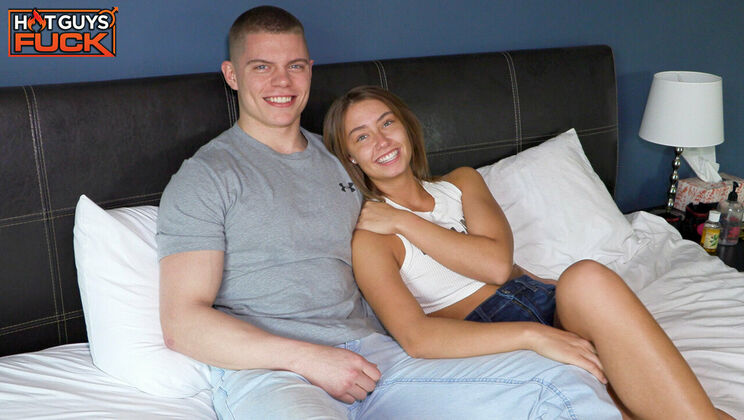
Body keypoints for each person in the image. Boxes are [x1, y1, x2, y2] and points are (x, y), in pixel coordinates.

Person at [157, 6, 623, 419]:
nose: (282, 82)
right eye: (262, 67)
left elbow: (432, 213)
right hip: (273, 371)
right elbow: (182, 324)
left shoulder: (346, 161)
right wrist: (307, 358)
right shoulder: (207, 177)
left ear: (309, 70)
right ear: (232, 75)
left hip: (377, 356)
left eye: (294, 66)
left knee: (561, 389)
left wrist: (534, 286)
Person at [322, 84, 732, 419]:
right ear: (350, 158)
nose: (381, 141)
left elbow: (496, 266)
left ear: (407, 127)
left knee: (587, 278)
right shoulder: (370, 238)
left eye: (387, 123)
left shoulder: (461, 183)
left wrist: (403, 221)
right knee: (655, 407)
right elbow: (417, 338)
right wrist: (534, 336)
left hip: (545, 301)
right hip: (491, 335)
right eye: (362, 136)